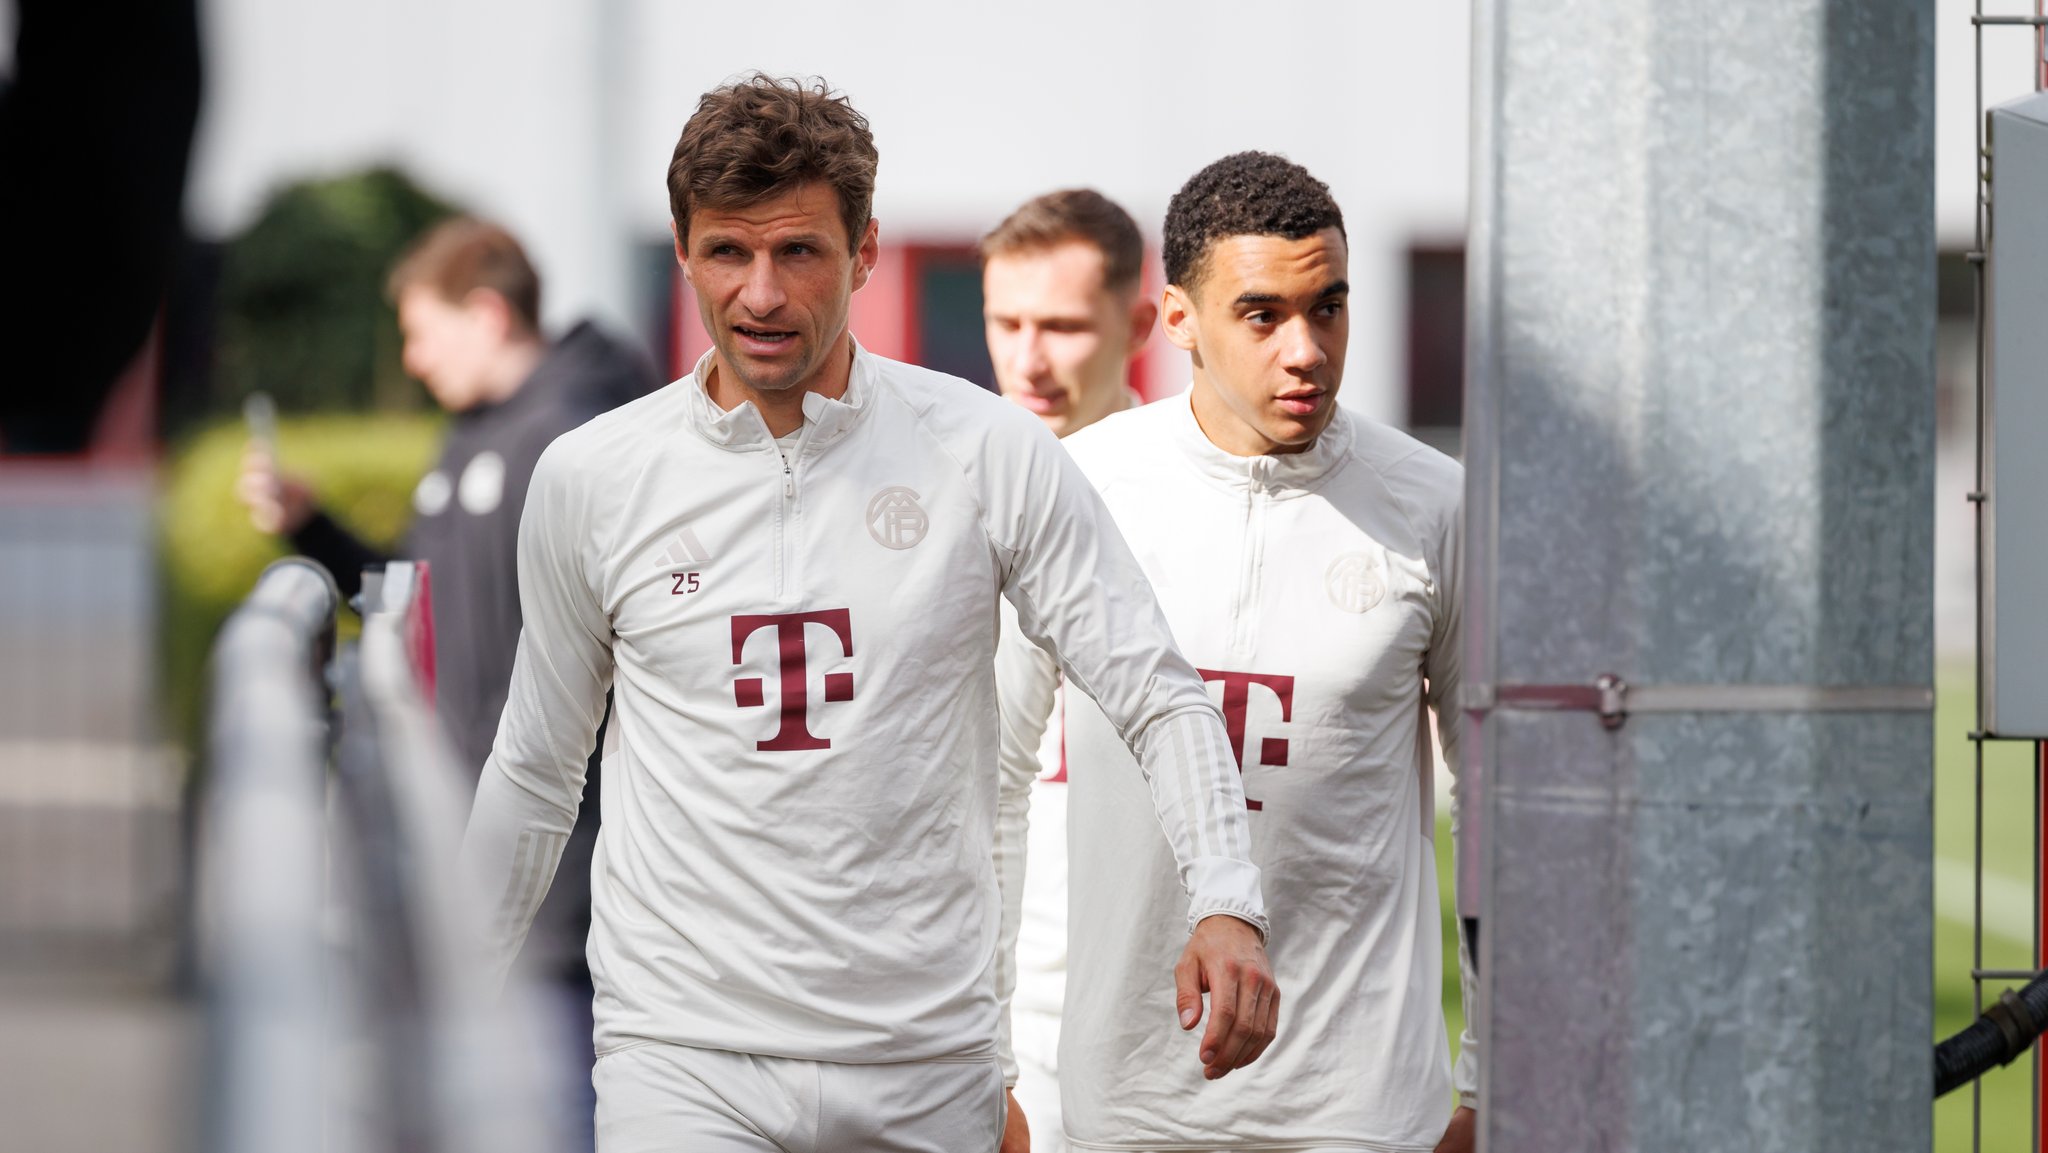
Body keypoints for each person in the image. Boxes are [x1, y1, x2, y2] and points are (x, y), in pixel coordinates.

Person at [457, 75, 1279, 1153]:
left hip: (921, 1065)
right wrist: (444, 1001)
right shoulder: (592, 477)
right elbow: (535, 764)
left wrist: (1225, 896)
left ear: (864, 250)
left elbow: (1152, 686)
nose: (758, 294)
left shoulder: (985, 452)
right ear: (681, 250)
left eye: (796, 251)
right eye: (725, 252)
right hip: (685, 1056)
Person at [1007, 152, 1478, 1152]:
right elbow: (983, 780)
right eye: (1262, 315)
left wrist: (1483, 1076)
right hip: (1124, 1102)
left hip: (1358, 1106)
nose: (1305, 349)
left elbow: (1495, 808)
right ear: (1178, 321)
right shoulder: (1076, 490)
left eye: (1328, 307)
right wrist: (984, 1061)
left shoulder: (1435, 508)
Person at [237, 216, 658, 1151]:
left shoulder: (577, 438)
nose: (416, 361)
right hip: (490, 857)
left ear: (486, 312)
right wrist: (314, 530)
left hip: (575, 890)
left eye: (424, 333)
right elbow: (419, 605)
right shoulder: (476, 439)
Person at [980, 188, 1156, 1153]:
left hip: (1146, 1022)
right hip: (978, 1013)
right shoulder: (936, 504)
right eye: (1007, 322)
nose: (1029, 359)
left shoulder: (1175, 513)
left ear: (1138, 323)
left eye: (1061, 326)